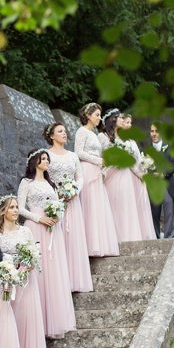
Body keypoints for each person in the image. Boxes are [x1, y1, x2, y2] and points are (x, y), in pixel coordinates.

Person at [17, 150, 76, 339]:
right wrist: (39, 219)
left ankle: (55, 320)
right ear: (34, 162)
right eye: (43, 159)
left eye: (48, 159)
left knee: (54, 271)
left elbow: (57, 204)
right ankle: (37, 321)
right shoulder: (26, 183)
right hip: (35, 227)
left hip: (52, 230)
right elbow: (20, 208)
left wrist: (57, 215)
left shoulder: (51, 184)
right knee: (38, 269)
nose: (47, 162)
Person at [0, 195, 51, 348]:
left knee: (27, 326)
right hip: (8, 286)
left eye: (17, 207)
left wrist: (22, 269)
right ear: (3, 211)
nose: (16, 210)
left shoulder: (26, 231)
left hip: (26, 284)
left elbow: (34, 256)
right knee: (12, 330)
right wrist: (8, 275)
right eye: (12, 207)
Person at [44, 122, 93, 292]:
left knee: (73, 240)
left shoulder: (73, 156)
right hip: (55, 202)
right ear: (51, 136)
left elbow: (80, 178)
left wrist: (74, 191)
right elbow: (43, 177)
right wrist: (55, 193)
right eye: (60, 131)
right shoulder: (46, 155)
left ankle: (75, 282)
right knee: (58, 239)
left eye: (65, 131)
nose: (64, 134)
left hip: (72, 202)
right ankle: (59, 283)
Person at [75, 102, 121, 256]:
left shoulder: (94, 134)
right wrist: (98, 161)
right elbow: (79, 153)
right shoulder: (81, 132)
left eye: (100, 115)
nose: (99, 118)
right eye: (97, 115)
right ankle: (89, 245)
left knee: (98, 207)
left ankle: (100, 245)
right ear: (88, 115)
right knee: (89, 205)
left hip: (97, 171)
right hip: (87, 170)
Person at [100, 108, 152, 241]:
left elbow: (134, 163)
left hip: (125, 175)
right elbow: (100, 158)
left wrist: (144, 171)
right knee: (113, 206)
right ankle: (113, 239)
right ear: (112, 119)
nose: (122, 120)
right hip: (111, 175)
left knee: (126, 207)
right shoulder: (103, 137)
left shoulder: (127, 141)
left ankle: (127, 238)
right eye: (120, 118)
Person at [118, 113, 157, 241]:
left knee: (139, 206)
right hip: (128, 176)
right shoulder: (120, 142)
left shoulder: (132, 142)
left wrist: (144, 168)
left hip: (137, 176)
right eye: (127, 122)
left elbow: (138, 160)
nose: (129, 125)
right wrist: (139, 173)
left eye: (130, 123)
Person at [149, 122, 174, 238]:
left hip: (167, 184)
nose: (154, 134)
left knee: (169, 208)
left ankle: (170, 237)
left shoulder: (170, 147)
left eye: (157, 131)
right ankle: (155, 237)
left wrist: (163, 173)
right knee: (154, 212)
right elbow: (142, 165)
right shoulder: (146, 150)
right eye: (152, 131)